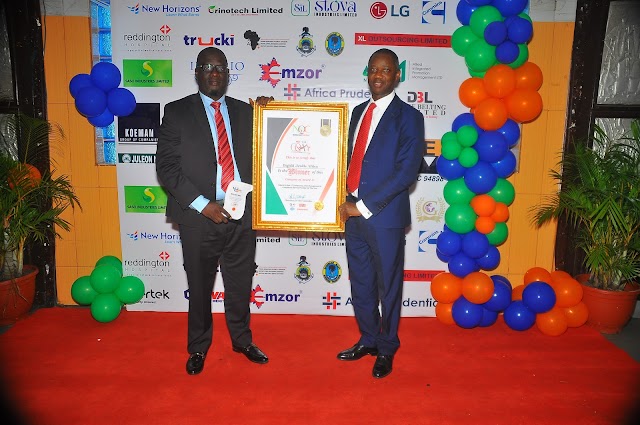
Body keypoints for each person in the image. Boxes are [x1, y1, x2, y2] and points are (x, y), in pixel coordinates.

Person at [156, 47, 271, 375]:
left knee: (240, 283)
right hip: (198, 217)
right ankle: (198, 346)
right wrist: (203, 205)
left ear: (228, 73)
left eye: (220, 67)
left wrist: (269, 113)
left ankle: (242, 340)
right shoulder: (177, 112)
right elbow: (167, 168)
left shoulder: (246, 112)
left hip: (242, 214)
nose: (214, 72)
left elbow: (269, 148)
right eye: (207, 67)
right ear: (197, 72)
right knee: (200, 286)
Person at [336, 48, 425, 379]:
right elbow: (348, 160)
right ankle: (368, 339)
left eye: (385, 70)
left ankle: (387, 347)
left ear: (397, 75)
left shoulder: (410, 117)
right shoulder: (358, 112)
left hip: (383, 217)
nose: (378, 75)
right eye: (373, 69)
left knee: (388, 286)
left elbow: (405, 173)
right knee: (361, 282)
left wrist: (361, 207)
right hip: (353, 214)